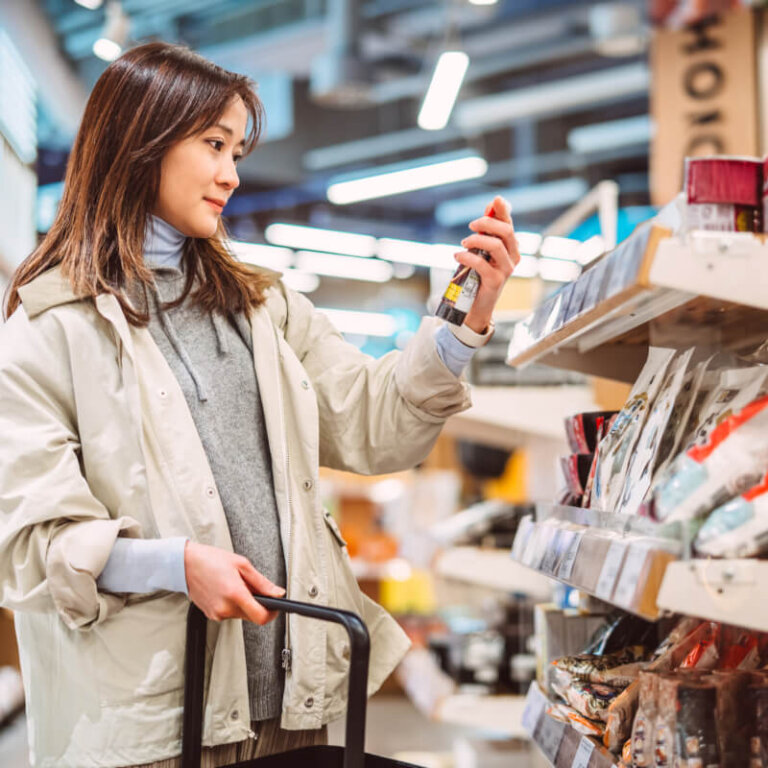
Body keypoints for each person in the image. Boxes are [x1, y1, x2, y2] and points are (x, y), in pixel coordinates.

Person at [0, 42, 519, 768]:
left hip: (289, 700)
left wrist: (462, 326)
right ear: (140, 140)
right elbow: (29, 547)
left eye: (237, 150)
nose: (232, 174)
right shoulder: (47, 327)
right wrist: (174, 564)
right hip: (146, 726)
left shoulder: (263, 305)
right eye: (213, 145)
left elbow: (374, 428)